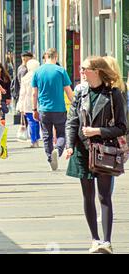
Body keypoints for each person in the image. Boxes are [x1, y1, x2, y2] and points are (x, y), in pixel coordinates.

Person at [65, 56, 127, 254]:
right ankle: (95, 239)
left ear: (97, 71)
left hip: (105, 150)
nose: (81, 72)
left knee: (104, 195)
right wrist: (69, 145)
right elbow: (72, 121)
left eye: (85, 69)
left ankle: (107, 242)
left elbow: (122, 127)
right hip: (83, 151)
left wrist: (98, 131)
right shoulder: (80, 92)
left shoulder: (113, 94)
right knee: (87, 195)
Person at [32, 48, 74, 171]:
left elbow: (34, 94)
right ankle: (58, 150)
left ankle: (50, 157)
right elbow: (69, 91)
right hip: (59, 109)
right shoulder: (60, 70)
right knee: (62, 133)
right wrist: (76, 105)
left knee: (46, 135)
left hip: (44, 109)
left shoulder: (37, 72)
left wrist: (34, 109)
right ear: (56, 57)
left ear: (45, 57)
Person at [17, 59, 41, 148]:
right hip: (39, 102)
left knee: (31, 122)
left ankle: (34, 140)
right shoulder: (40, 76)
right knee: (37, 121)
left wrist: (20, 106)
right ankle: (37, 138)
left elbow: (22, 93)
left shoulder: (26, 78)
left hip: (28, 103)